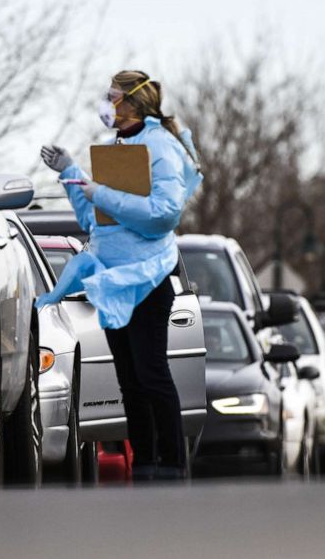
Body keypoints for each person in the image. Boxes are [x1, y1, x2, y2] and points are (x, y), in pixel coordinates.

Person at [38, 70, 203, 480]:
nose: (106, 103)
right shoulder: (120, 147)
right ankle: (146, 464)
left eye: (112, 96)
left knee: (152, 374)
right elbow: (95, 221)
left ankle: (172, 464)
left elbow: (164, 216)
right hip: (113, 281)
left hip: (146, 281)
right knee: (129, 381)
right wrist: (71, 175)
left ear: (130, 102)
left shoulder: (159, 146)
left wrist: (102, 192)